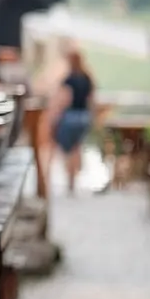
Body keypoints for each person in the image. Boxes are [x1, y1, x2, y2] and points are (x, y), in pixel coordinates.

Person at [49, 48, 95, 194]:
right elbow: (92, 100)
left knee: (67, 150)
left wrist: (54, 117)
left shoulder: (69, 79)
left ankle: (70, 179)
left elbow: (65, 99)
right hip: (84, 116)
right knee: (77, 147)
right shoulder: (87, 78)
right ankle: (74, 179)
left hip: (70, 116)